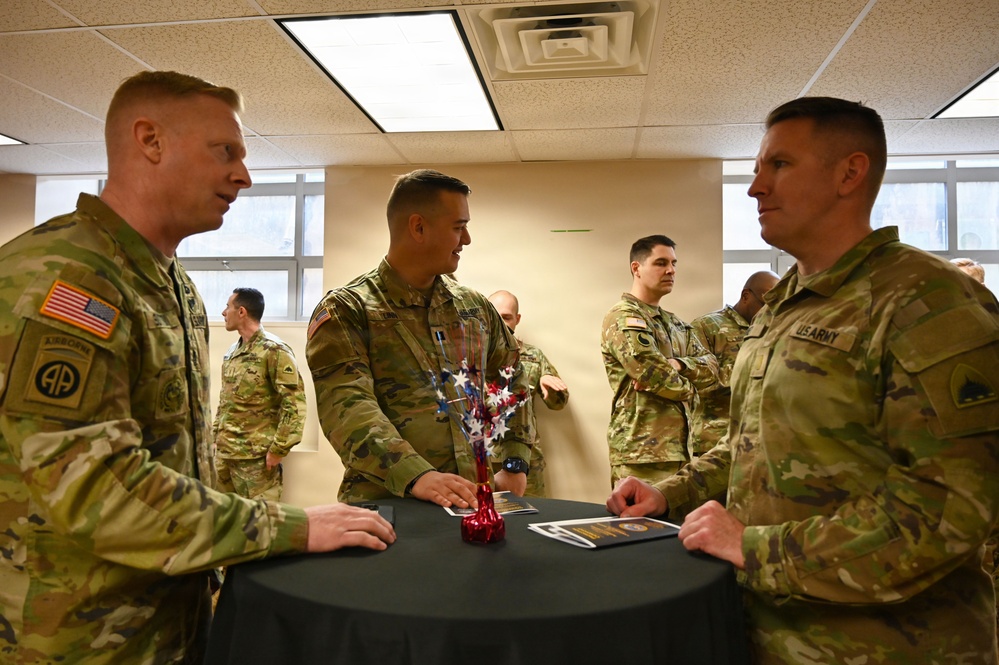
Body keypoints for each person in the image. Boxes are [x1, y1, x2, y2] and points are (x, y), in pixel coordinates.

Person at [0, 70, 394, 663]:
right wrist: (289, 528)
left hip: (167, 619)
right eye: (225, 151)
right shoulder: (71, 278)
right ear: (150, 141)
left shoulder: (171, 283)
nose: (244, 174)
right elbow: (96, 489)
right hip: (73, 639)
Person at [606, 97, 999, 664]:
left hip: (888, 644)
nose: (755, 188)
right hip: (773, 630)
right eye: (758, 169)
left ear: (850, 173)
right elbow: (755, 441)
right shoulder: (784, 304)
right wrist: (674, 491)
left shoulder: (926, 300)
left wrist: (755, 547)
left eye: (779, 166)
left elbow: (953, 506)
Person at [305, 169, 532, 509]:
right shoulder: (348, 309)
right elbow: (348, 409)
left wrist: (514, 460)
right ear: (418, 227)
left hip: (470, 503)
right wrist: (417, 475)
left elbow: (512, 378)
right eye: (458, 227)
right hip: (389, 505)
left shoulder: (474, 309)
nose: (466, 239)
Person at [600, 235, 718, 487]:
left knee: (677, 527)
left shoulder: (675, 323)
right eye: (661, 263)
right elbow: (652, 373)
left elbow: (712, 368)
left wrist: (679, 365)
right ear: (636, 268)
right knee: (638, 526)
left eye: (674, 263)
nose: (671, 270)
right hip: (641, 454)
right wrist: (691, 390)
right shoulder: (624, 317)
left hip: (681, 450)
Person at [214, 287, 307, 501]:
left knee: (261, 525)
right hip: (225, 456)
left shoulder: (274, 350)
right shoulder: (233, 352)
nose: (223, 312)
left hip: (255, 460)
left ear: (242, 312)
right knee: (226, 522)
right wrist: (215, 438)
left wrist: (279, 448)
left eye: (228, 306)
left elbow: (294, 404)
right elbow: (225, 401)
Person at [487, 289, 569, 496]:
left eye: (506, 317)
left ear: (517, 319)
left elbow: (559, 403)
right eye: (495, 316)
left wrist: (550, 388)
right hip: (481, 456)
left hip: (524, 459)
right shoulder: (469, 353)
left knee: (528, 517)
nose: (501, 323)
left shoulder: (533, 356)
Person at [689, 271, 778, 453]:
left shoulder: (771, 330)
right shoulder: (706, 326)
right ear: (746, 296)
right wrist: (753, 372)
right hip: (713, 438)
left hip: (756, 438)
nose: (771, 313)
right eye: (767, 305)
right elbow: (699, 379)